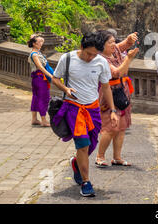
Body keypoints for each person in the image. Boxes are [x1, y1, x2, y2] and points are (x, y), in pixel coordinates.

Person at [51, 32, 118, 197]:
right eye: (88, 53)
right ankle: (86, 181)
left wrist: (113, 110)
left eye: (95, 54)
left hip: (93, 108)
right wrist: (65, 89)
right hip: (74, 108)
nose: (91, 57)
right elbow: (55, 78)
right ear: (81, 47)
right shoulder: (67, 59)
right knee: (82, 144)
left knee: (92, 144)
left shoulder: (101, 62)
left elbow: (106, 87)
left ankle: (76, 162)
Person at [95, 30, 139, 168]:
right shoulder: (101, 58)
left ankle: (117, 157)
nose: (114, 44)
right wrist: (128, 59)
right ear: (102, 45)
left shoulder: (115, 51)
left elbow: (124, 44)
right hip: (109, 94)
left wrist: (130, 39)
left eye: (114, 41)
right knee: (111, 127)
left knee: (121, 127)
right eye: (110, 42)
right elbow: (116, 73)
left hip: (122, 91)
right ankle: (100, 156)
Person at [27, 34, 53, 127]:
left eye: (41, 41)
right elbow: (40, 67)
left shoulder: (37, 52)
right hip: (40, 78)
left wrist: (34, 37)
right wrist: (50, 75)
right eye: (39, 42)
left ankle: (34, 119)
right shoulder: (34, 54)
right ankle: (44, 120)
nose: (41, 43)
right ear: (34, 44)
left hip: (37, 78)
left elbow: (42, 39)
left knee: (36, 97)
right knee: (43, 98)